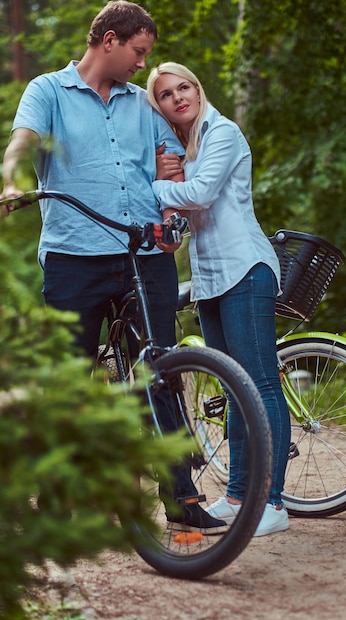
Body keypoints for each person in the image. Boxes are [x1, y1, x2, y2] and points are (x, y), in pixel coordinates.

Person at [0, 2, 225, 533]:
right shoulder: (48, 92)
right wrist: (11, 180)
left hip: (143, 258)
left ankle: (182, 500)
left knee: (159, 374)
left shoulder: (142, 106)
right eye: (138, 52)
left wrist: (171, 218)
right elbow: (22, 143)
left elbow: (171, 167)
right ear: (108, 41)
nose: (143, 66)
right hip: (74, 257)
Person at [147, 62, 291, 537]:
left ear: (197, 88)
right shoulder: (190, 147)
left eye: (183, 86)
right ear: (161, 106)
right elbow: (187, 220)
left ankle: (272, 502)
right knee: (234, 390)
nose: (177, 97)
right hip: (210, 278)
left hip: (245, 270)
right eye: (166, 94)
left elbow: (203, 194)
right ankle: (237, 496)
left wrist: (155, 183)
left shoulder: (222, 132)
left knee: (261, 386)